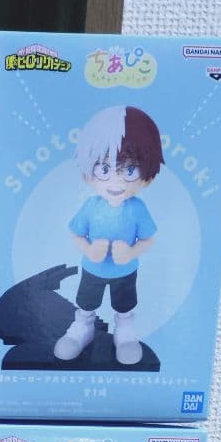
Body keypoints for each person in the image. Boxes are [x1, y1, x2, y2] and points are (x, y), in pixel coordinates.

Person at [54, 105, 163, 365]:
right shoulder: (91, 206)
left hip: (125, 272)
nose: (116, 182)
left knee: (124, 305)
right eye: (104, 169)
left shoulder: (137, 209)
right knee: (86, 302)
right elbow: (75, 234)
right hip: (92, 269)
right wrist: (89, 250)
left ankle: (124, 332)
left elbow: (149, 239)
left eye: (130, 170)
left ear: (147, 176)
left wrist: (131, 252)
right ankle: (83, 326)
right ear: (87, 174)